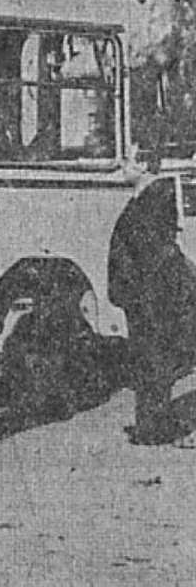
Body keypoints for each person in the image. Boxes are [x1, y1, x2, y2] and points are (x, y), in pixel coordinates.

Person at [107, 154, 196, 445]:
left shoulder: (156, 198)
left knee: (154, 362)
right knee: (148, 362)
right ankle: (150, 425)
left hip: (151, 298)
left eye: (129, 160)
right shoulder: (146, 196)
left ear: (145, 166)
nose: (122, 165)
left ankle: (155, 428)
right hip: (143, 297)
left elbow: (155, 255)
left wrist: (140, 293)